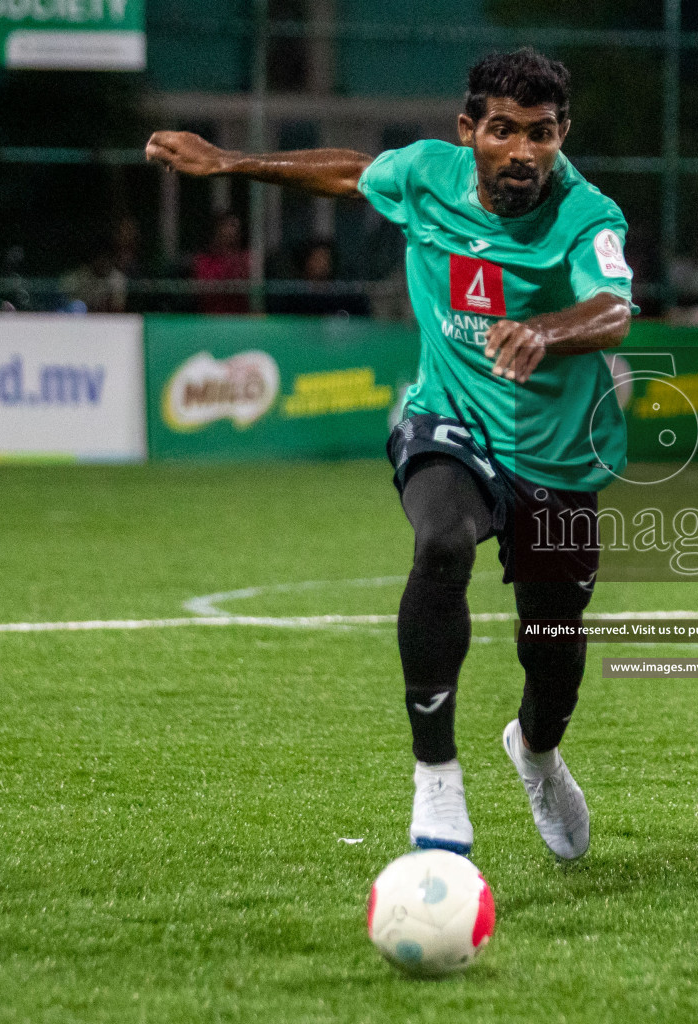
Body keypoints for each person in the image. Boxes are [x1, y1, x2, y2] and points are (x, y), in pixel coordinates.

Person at [146, 48, 636, 861]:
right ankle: (436, 773)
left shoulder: (588, 215)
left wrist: (547, 329)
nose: (523, 151)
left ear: (562, 135)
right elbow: (348, 173)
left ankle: (538, 752)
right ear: (468, 130)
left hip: (554, 457)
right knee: (440, 543)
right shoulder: (427, 175)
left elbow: (614, 308)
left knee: (552, 644)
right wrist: (231, 161)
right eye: (504, 130)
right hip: (448, 419)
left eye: (542, 134)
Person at [268, 239, 371, 317]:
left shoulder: (344, 296)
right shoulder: (293, 296)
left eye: (325, 259)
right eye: (317, 259)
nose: (321, 264)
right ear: (307, 262)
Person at [192, 212, 251, 314]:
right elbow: (205, 291)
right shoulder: (203, 261)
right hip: (211, 320)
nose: (231, 231)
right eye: (228, 226)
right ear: (217, 231)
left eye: (234, 226)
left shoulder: (248, 258)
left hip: (242, 321)